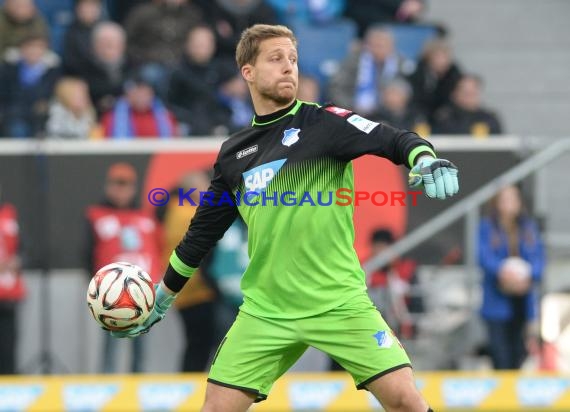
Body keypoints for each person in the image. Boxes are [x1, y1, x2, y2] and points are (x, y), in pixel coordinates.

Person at [112, 24, 458, 411]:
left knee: (406, 400)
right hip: (266, 310)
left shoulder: (324, 123)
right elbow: (200, 235)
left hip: (337, 301)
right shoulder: (234, 154)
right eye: (276, 59)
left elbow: (392, 137)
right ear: (248, 71)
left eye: (292, 59)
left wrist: (423, 157)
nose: (288, 67)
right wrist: (163, 295)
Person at [85, 163, 164, 373]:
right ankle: (107, 390)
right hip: (110, 295)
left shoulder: (147, 217)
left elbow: (159, 248)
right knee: (110, 346)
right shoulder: (96, 215)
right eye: (117, 185)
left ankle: (135, 393)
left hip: (143, 293)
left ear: (134, 188)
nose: (121, 190)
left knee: (141, 346)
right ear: (108, 186)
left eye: (126, 185)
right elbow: (87, 253)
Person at [156, 171, 219, 372]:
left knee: (196, 341)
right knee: (200, 342)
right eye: (204, 186)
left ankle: (191, 382)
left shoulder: (174, 211)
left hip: (181, 286)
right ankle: (191, 384)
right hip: (195, 287)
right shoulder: (190, 213)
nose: (208, 191)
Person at [478, 185, 545, 370]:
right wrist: (502, 271)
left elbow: (539, 259)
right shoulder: (487, 227)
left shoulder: (528, 228)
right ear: (497, 203)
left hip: (522, 302)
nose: (509, 204)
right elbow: (484, 257)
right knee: (500, 353)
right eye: (505, 199)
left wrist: (529, 274)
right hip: (496, 302)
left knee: (520, 352)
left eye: (513, 199)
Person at [328, 25, 414, 115]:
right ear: (366, 45)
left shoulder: (401, 64)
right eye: (375, 45)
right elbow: (336, 88)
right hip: (354, 112)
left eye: (383, 46)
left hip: (388, 114)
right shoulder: (352, 61)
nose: (378, 50)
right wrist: (350, 108)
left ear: (392, 46)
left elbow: (407, 90)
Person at [0, 34, 60, 138]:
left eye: (38, 47)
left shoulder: (53, 72)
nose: (34, 51)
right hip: (14, 116)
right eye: (30, 47)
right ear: (22, 49)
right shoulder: (8, 70)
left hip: (43, 120)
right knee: (17, 129)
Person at [102, 72, 178, 139]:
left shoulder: (166, 116)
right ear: (128, 95)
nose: (141, 98)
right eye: (137, 94)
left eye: (145, 94)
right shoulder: (112, 118)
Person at [0, 189, 26, 374]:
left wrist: (19, 259)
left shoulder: (9, 215)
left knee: (8, 348)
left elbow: (25, 248)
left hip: (7, 295)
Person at [432, 74, 503, 137]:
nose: (469, 97)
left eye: (473, 93)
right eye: (465, 93)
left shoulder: (489, 118)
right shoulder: (443, 117)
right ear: (454, 94)